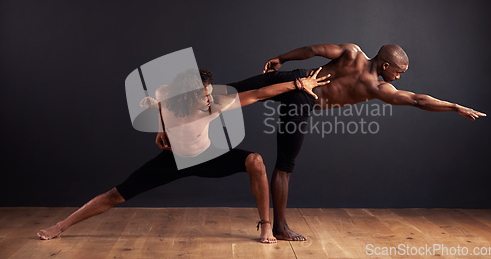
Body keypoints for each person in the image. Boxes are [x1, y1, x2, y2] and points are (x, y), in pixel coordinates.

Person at [37, 67, 330, 244]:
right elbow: (162, 108)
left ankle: (267, 226)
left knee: (255, 161)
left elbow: (258, 94)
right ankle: (60, 226)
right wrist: (162, 129)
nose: (208, 96)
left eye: (208, 91)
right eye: (202, 92)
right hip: (174, 160)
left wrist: (297, 85)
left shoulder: (213, 104)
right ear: (184, 93)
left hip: (207, 156)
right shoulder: (167, 95)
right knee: (116, 194)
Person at [226, 43, 486, 241]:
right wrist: (454, 107)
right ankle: (280, 228)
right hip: (303, 98)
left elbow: (314, 50)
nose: (399, 77)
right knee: (284, 166)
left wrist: (281, 57)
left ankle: (189, 100)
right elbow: (418, 100)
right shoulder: (377, 88)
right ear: (385, 66)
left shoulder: (352, 53)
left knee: (229, 91)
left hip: (295, 78)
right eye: (399, 72)